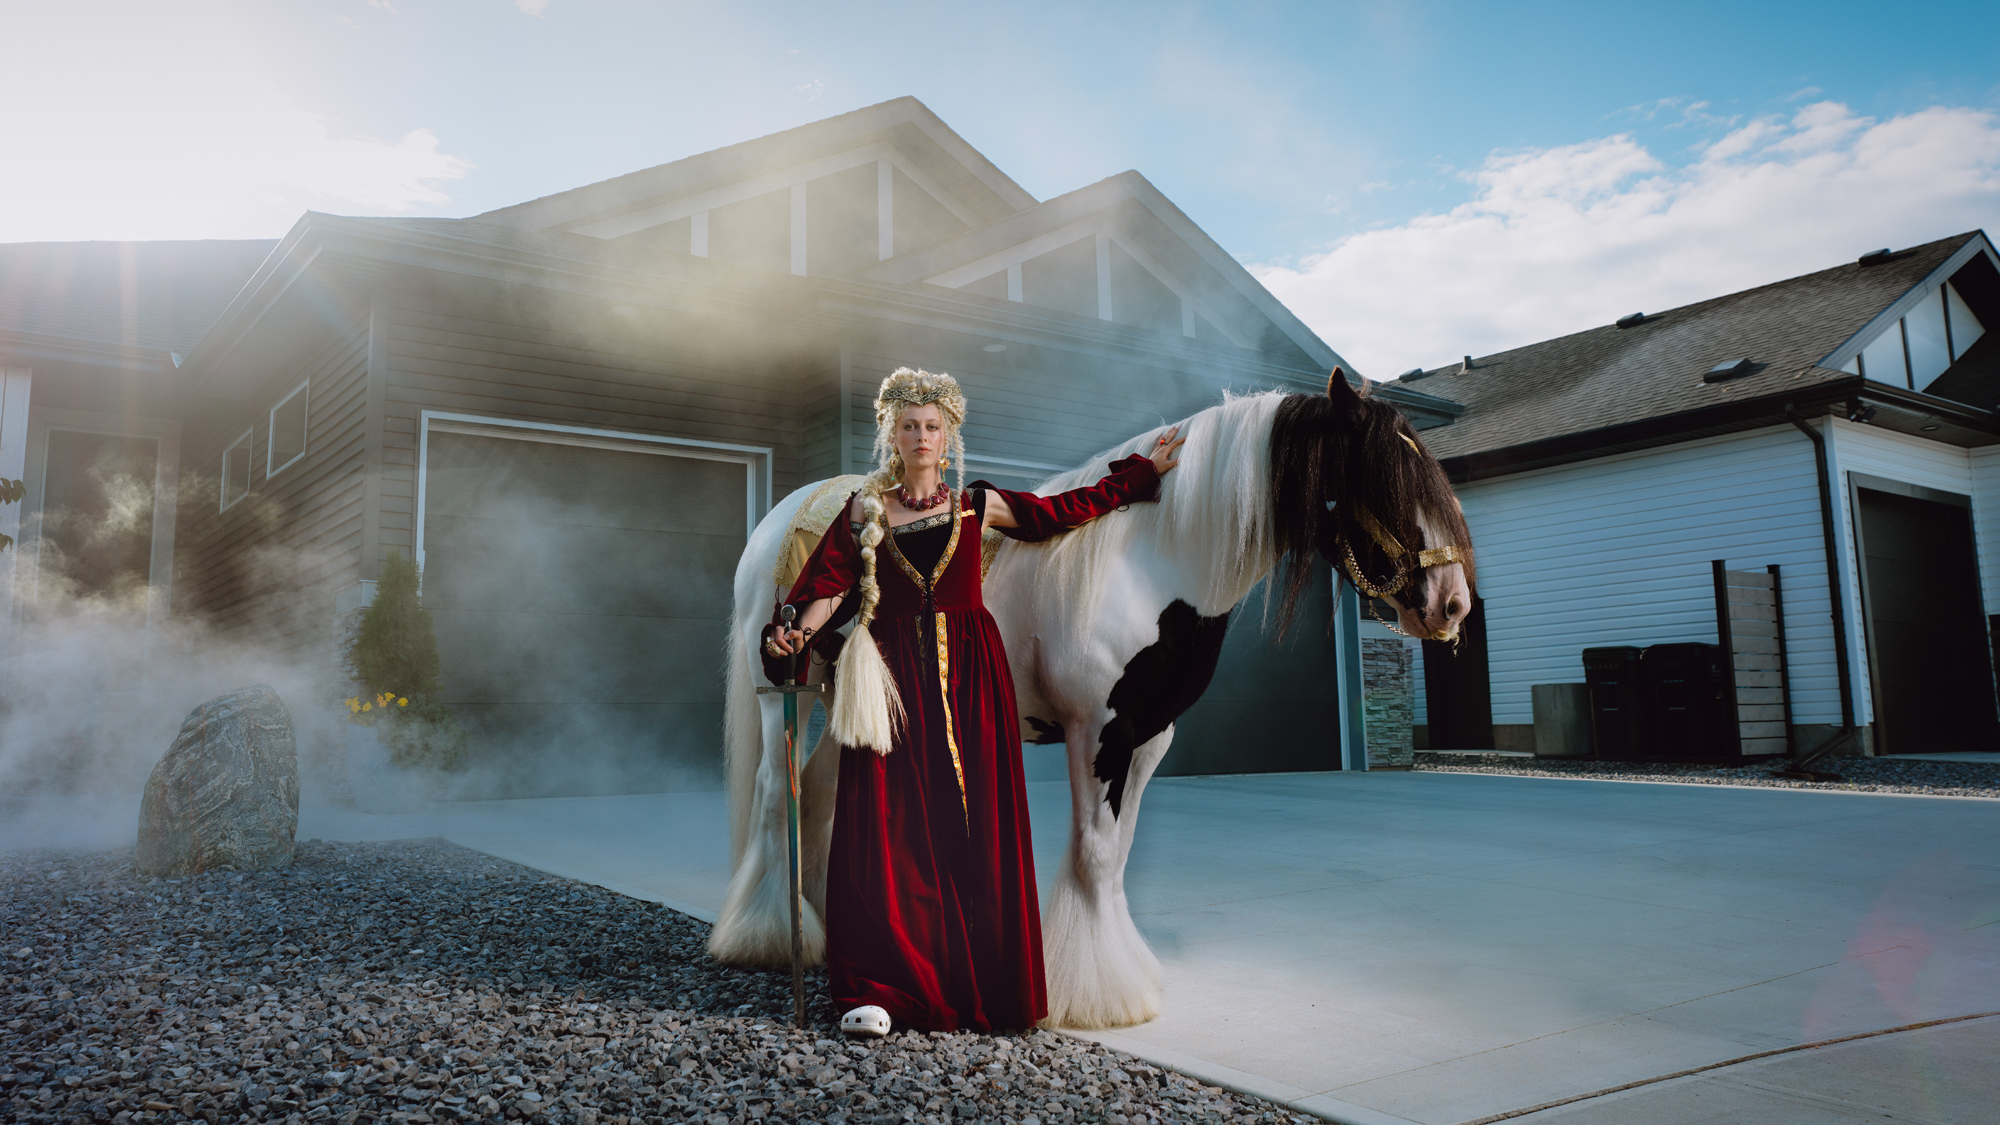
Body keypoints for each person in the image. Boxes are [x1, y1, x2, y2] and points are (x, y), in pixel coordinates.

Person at [764, 368, 1183, 1035]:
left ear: (948, 436)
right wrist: (794, 632)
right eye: (909, 426)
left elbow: (1059, 514)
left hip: (969, 680)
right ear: (891, 435)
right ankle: (878, 988)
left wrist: (1137, 475)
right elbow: (825, 588)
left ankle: (975, 979)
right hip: (891, 681)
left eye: (932, 426)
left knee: (969, 824)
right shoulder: (863, 514)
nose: (921, 436)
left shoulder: (974, 505)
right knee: (886, 825)